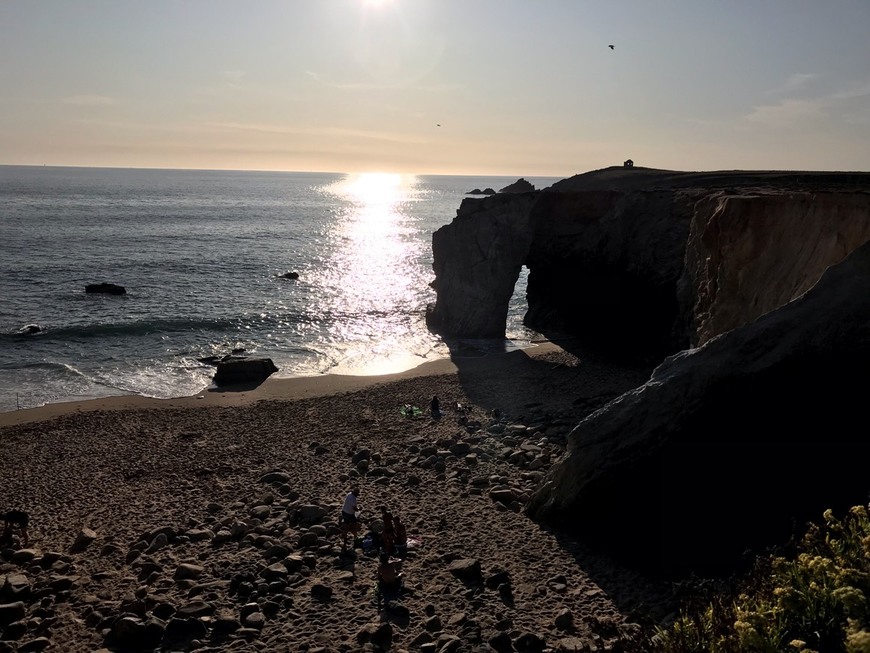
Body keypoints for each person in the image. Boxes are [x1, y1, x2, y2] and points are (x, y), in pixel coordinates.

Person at [339, 488, 361, 552]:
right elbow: (354, 508)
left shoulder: (349, 494)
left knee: (346, 525)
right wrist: (359, 509)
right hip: (350, 514)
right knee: (354, 525)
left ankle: (345, 539)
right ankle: (355, 537)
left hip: (344, 512)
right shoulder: (354, 499)